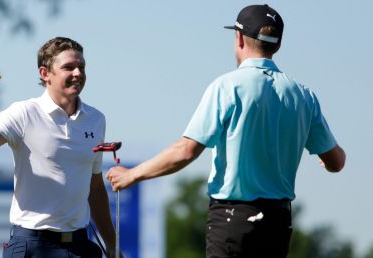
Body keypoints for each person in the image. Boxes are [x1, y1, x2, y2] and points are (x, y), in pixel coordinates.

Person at [106, 4, 346, 258]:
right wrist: (324, 158)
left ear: (239, 38)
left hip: (233, 220)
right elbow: (336, 161)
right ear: (277, 45)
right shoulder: (304, 96)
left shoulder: (227, 86)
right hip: (278, 222)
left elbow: (186, 151)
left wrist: (132, 174)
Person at [0, 37, 121, 258]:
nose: (78, 73)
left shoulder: (96, 119)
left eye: (81, 67)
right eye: (68, 67)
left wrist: (112, 245)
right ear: (45, 74)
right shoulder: (23, 113)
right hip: (31, 245)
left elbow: (94, 186)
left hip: (80, 246)